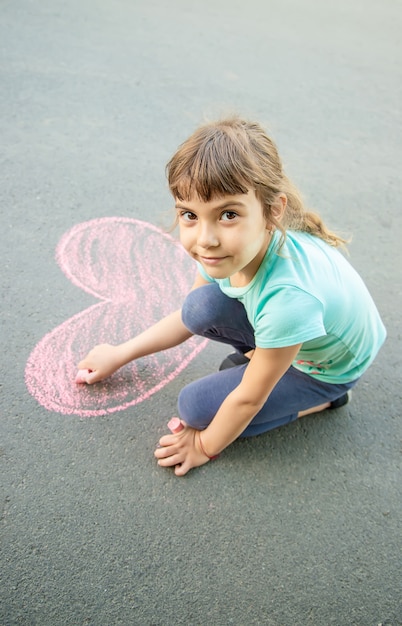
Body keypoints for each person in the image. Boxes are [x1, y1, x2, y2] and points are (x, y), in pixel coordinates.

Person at [78, 117, 386, 476]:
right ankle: (268, 357)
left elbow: (248, 399)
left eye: (228, 215)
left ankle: (327, 399)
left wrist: (204, 446)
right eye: (190, 215)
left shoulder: (289, 298)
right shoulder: (228, 251)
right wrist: (120, 353)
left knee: (195, 408)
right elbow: (188, 317)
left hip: (329, 368)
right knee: (200, 307)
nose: (205, 238)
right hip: (308, 332)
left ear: (273, 211)